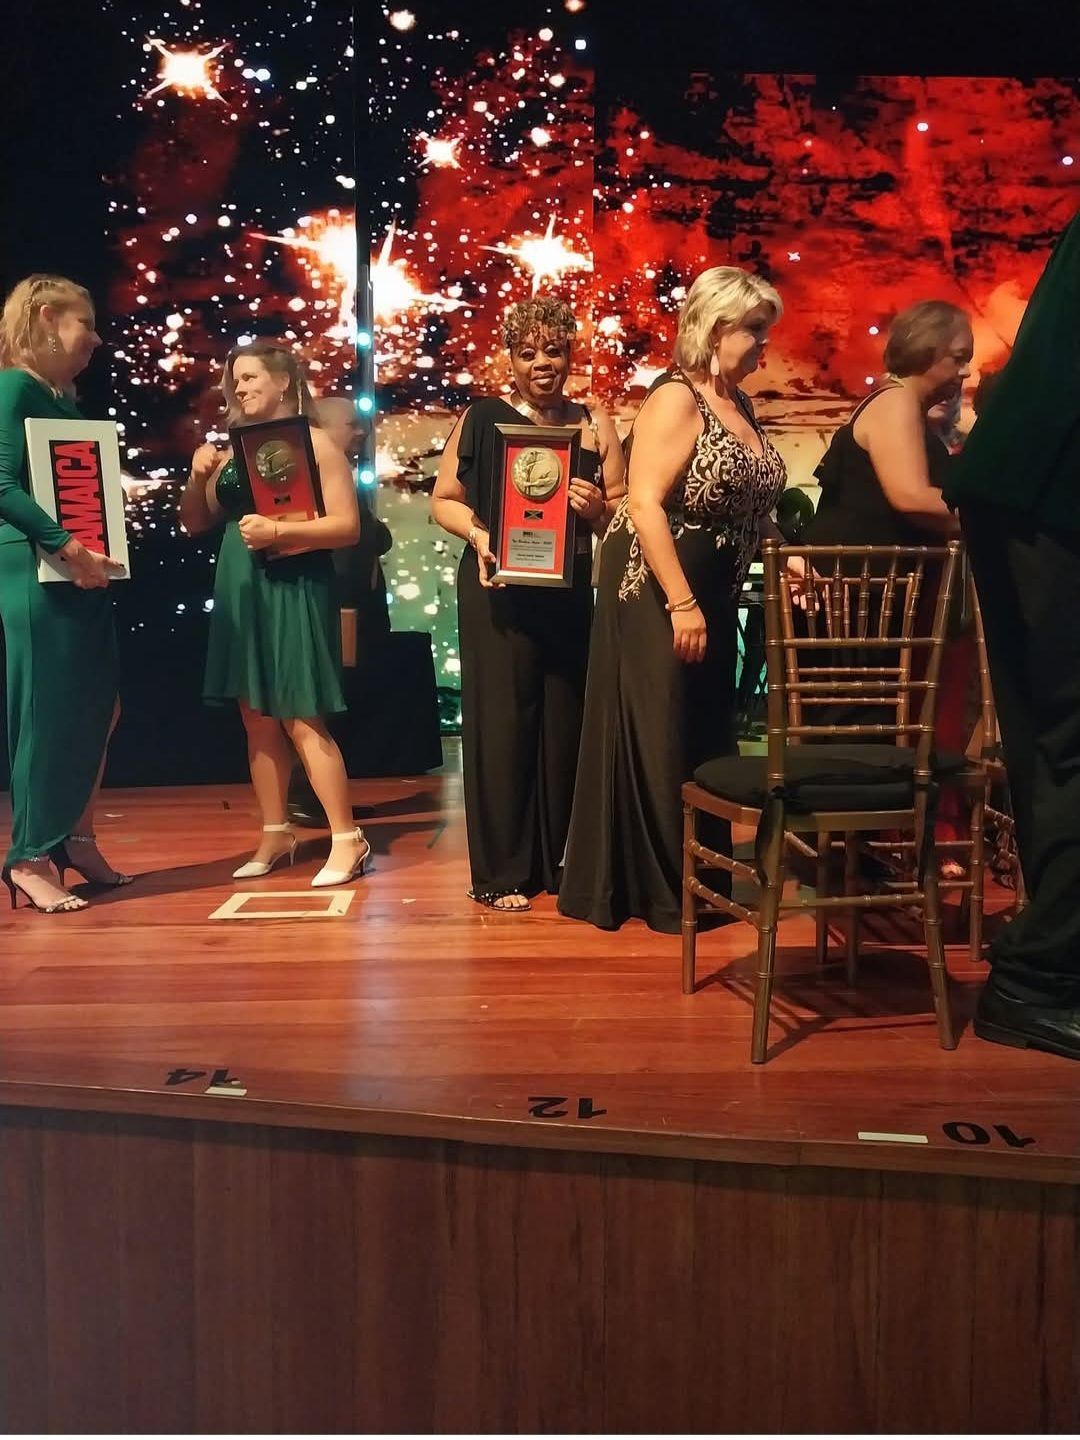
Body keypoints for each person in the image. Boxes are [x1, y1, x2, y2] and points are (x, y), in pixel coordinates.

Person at [558, 266, 788, 933]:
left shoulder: (737, 403)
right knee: (662, 732)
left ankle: (702, 882)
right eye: (755, 331)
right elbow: (644, 503)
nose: (764, 347)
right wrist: (682, 602)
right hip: (657, 588)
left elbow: (750, 505)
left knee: (700, 731)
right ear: (717, 328)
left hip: (709, 592)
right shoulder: (676, 396)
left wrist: (785, 551)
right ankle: (660, 891)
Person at [432, 295, 625, 911]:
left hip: (567, 590)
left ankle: (555, 860)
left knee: (564, 722)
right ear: (509, 357)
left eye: (554, 349)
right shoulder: (484, 417)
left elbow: (621, 509)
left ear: (570, 352)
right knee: (503, 724)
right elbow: (444, 500)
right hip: (497, 583)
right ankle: (501, 872)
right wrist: (481, 536)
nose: (542, 362)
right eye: (528, 352)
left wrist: (598, 512)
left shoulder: (595, 422)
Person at [945, 210, 1080, 1060]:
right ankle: (1040, 980)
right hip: (1052, 490)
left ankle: (1045, 972)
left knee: (1057, 739)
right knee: (1070, 739)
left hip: (1033, 487)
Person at [179, 341, 367, 888]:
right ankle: (276, 829)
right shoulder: (233, 450)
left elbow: (347, 527)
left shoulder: (315, 444)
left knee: (301, 714)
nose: (240, 388)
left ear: (283, 381)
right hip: (242, 585)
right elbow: (194, 521)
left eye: (251, 377)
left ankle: (346, 838)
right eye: (235, 380)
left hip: (294, 584)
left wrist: (281, 532)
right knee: (255, 717)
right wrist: (197, 476)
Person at [800, 301, 972, 873]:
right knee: (852, 721)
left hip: (868, 596)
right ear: (926, 352)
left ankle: (850, 851)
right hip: (858, 596)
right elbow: (909, 496)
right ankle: (841, 852)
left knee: (859, 719)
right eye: (958, 359)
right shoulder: (896, 401)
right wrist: (984, 523)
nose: (965, 372)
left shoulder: (901, 405)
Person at [0, 274, 130, 913]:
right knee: (44, 713)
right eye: (86, 323)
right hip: (35, 568)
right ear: (48, 318)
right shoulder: (13, 387)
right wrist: (67, 546)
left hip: (74, 569)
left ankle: (75, 838)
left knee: (97, 707)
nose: (97, 338)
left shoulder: (57, 397)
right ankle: (27, 856)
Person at [286, 396, 392, 829]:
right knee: (325, 703)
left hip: (351, 604)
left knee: (342, 701)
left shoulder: (340, 474)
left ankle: (323, 796)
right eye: (353, 424)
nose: (361, 433)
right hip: (337, 604)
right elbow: (360, 540)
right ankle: (307, 795)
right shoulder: (318, 477)